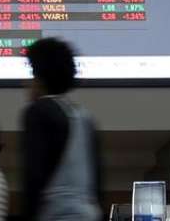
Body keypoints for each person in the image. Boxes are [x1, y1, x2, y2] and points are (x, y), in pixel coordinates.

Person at [20, 38, 102, 221]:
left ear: (40, 77)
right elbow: (97, 182)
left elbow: (34, 177)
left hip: (57, 214)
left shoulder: (39, 111)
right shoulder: (85, 116)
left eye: (32, 74)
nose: (26, 82)